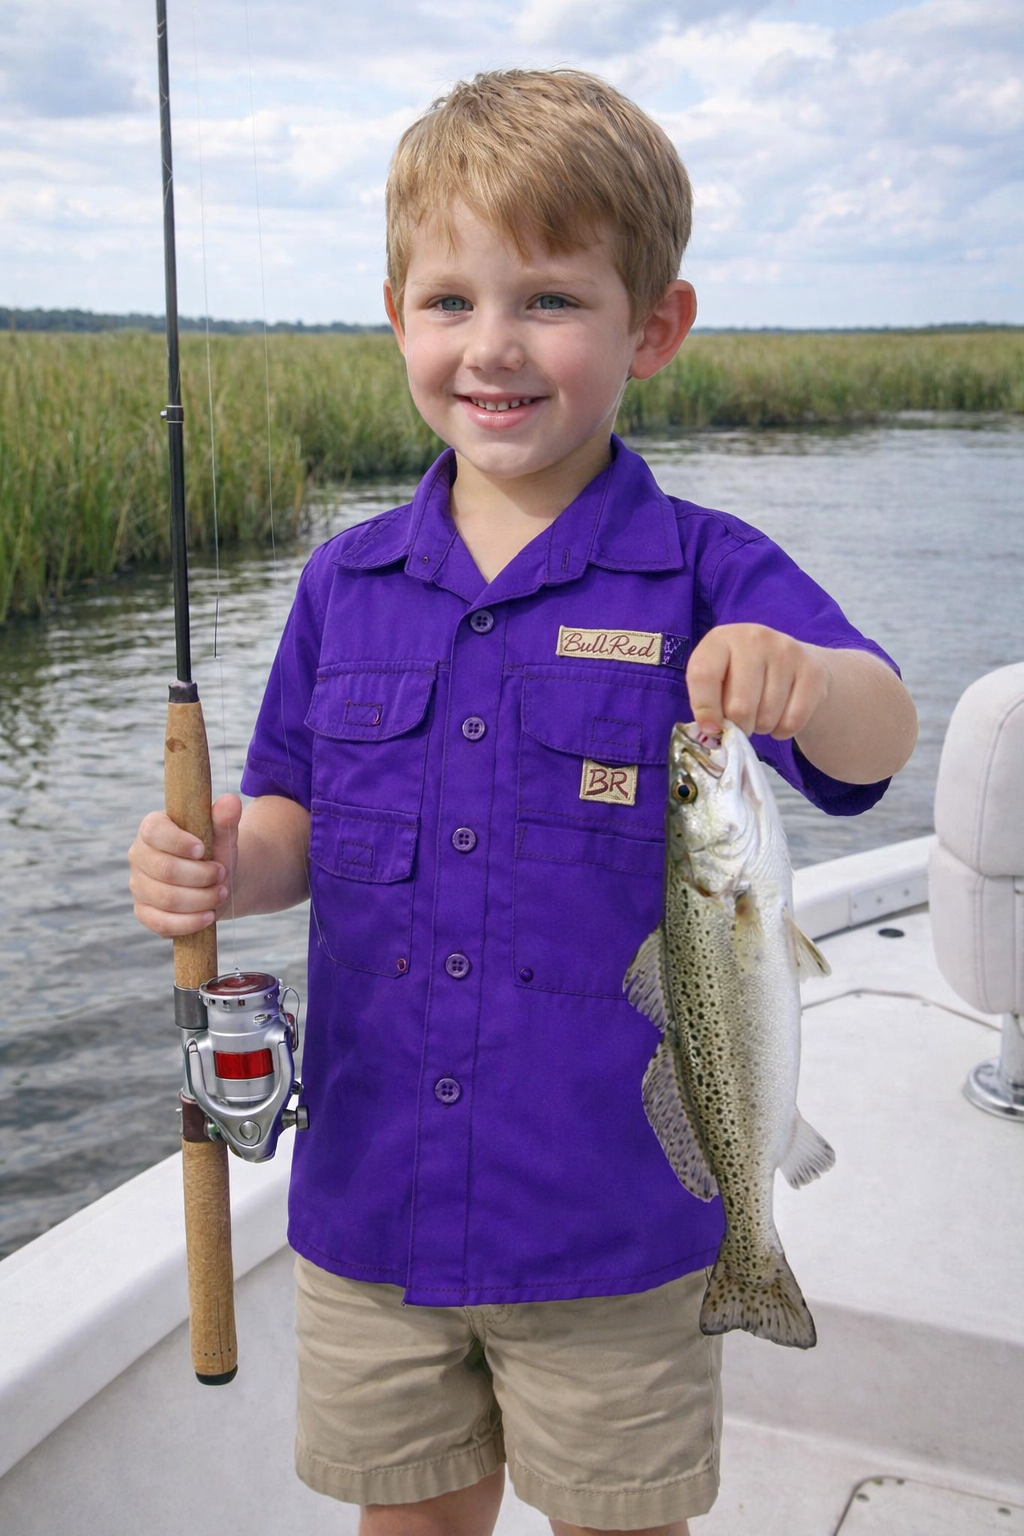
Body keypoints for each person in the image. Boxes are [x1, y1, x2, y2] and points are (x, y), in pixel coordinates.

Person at [129, 69, 917, 1536]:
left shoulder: (703, 567)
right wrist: (226, 865)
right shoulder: (341, 582)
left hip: (614, 1226)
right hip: (375, 1205)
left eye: (551, 300)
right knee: (411, 1519)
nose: (493, 347)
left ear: (654, 328)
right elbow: (296, 823)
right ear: (395, 317)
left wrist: (805, 674)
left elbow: (876, 742)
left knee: (623, 1521)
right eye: (449, 303)